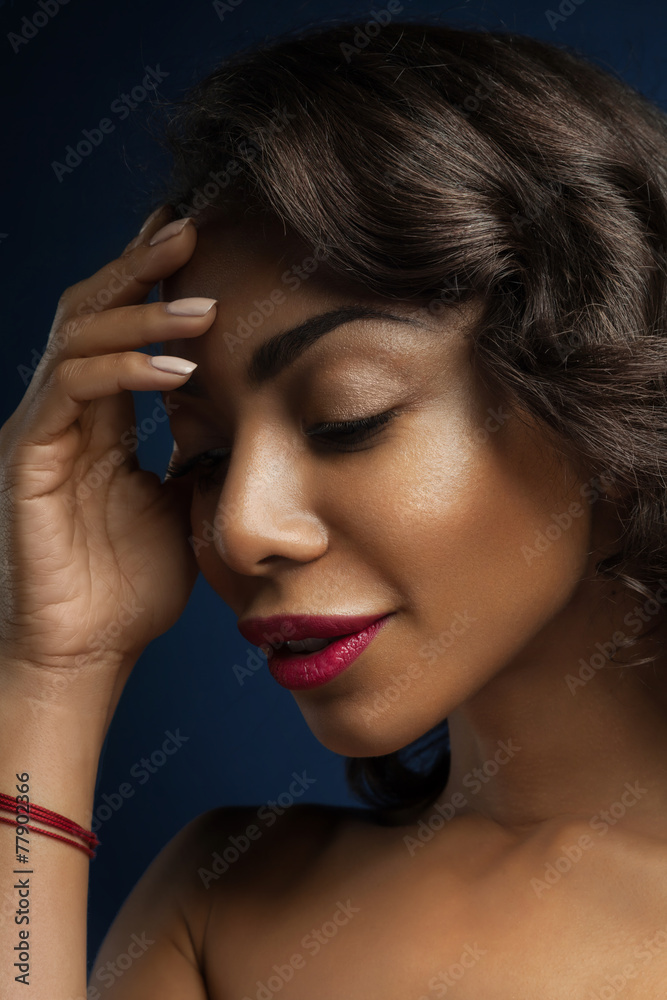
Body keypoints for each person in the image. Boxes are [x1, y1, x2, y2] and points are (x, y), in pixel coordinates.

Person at [2, 18, 667, 999]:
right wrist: (50, 668)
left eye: (346, 417)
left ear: (604, 403)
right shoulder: (226, 903)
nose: (239, 526)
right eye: (203, 457)